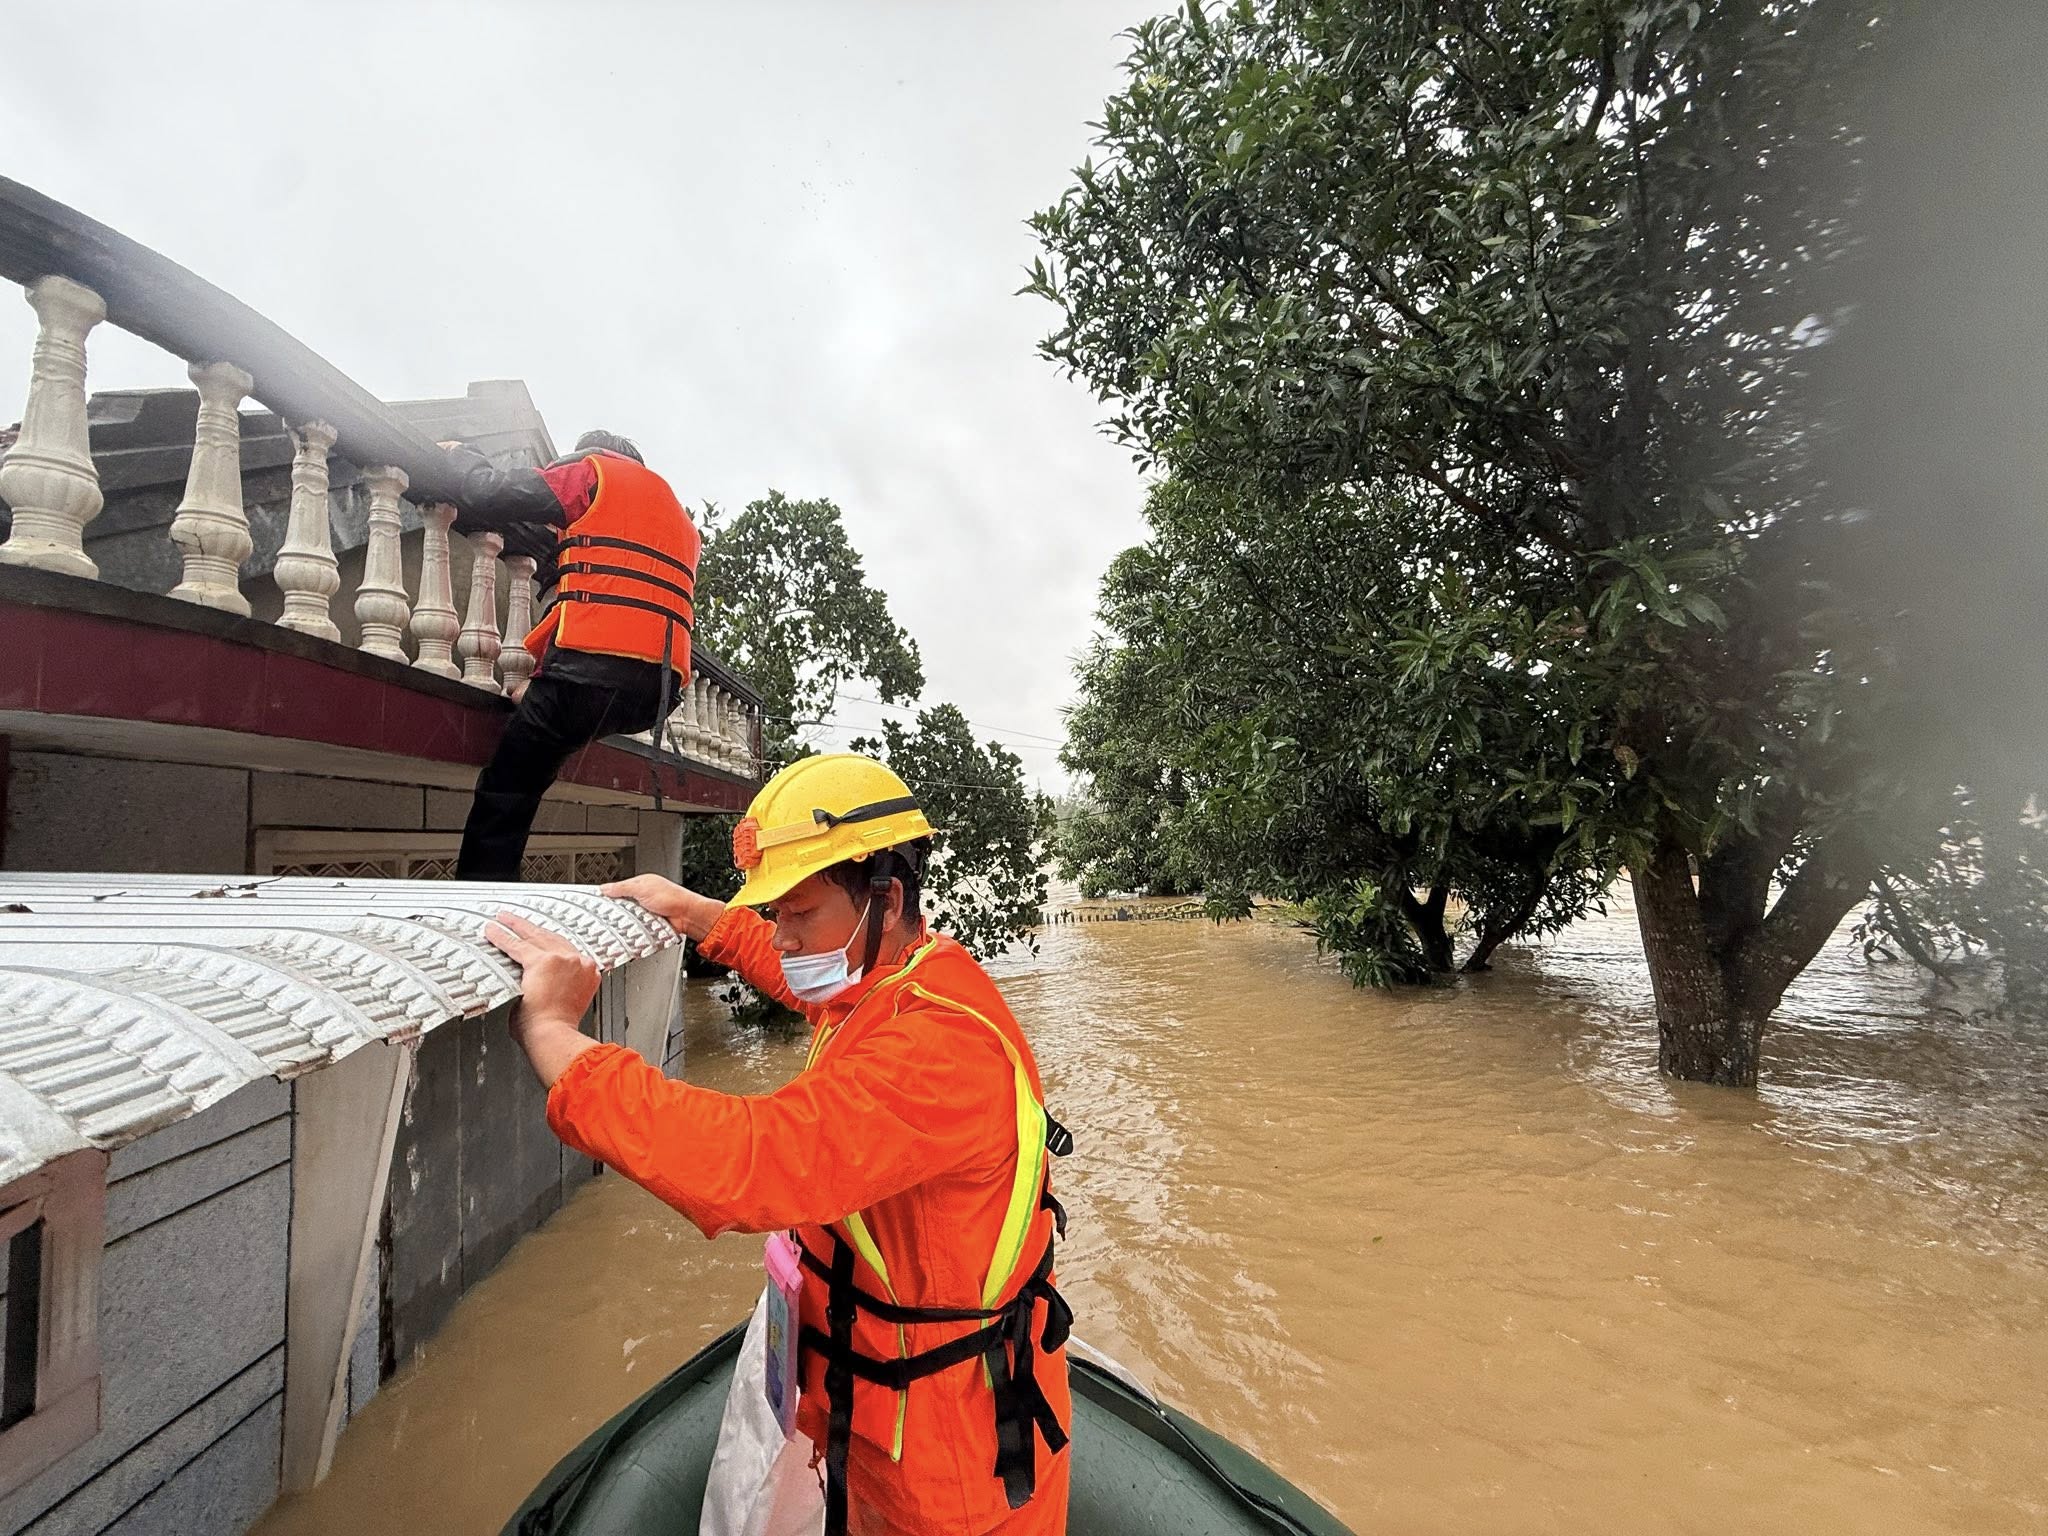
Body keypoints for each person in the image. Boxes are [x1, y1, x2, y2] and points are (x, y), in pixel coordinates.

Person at [484, 754, 1073, 1536]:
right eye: (774, 913)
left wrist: (554, 1032)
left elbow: (744, 1165)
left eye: (797, 910)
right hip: (883, 1424)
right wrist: (695, 914)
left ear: (886, 899)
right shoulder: (898, 974)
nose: (784, 937)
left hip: (954, 1471)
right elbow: (802, 973)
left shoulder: (935, 1054)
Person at [440, 430, 700, 880]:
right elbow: (614, 598)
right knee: (552, 737)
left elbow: (492, 492)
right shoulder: (680, 522)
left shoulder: (590, 475)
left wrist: (462, 457)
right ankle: (543, 700)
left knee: (507, 792)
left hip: (589, 679)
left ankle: (481, 904)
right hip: (654, 696)